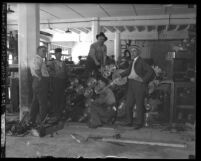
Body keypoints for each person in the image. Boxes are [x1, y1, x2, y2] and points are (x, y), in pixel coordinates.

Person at [116, 45, 155, 129]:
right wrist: (120, 75)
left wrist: (143, 80)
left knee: (139, 104)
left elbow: (151, 71)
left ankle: (139, 123)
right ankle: (129, 122)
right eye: (131, 51)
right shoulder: (132, 61)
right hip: (131, 84)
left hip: (139, 85)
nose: (132, 53)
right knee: (129, 104)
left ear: (138, 52)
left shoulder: (141, 61)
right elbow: (128, 71)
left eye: (134, 51)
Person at [29, 46, 49, 127]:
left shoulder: (40, 59)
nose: (45, 52)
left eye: (45, 51)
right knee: (42, 103)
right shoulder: (38, 59)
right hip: (40, 82)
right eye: (43, 51)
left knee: (35, 103)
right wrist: (41, 78)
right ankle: (42, 122)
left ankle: (32, 120)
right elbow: (37, 70)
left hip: (38, 82)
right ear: (38, 52)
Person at [49, 48, 68, 120]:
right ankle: (55, 113)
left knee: (61, 98)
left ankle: (60, 113)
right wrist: (57, 74)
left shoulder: (63, 63)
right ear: (55, 54)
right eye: (57, 54)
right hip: (55, 81)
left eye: (60, 54)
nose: (59, 55)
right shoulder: (52, 63)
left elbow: (66, 73)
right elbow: (50, 72)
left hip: (62, 82)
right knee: (55, 97)